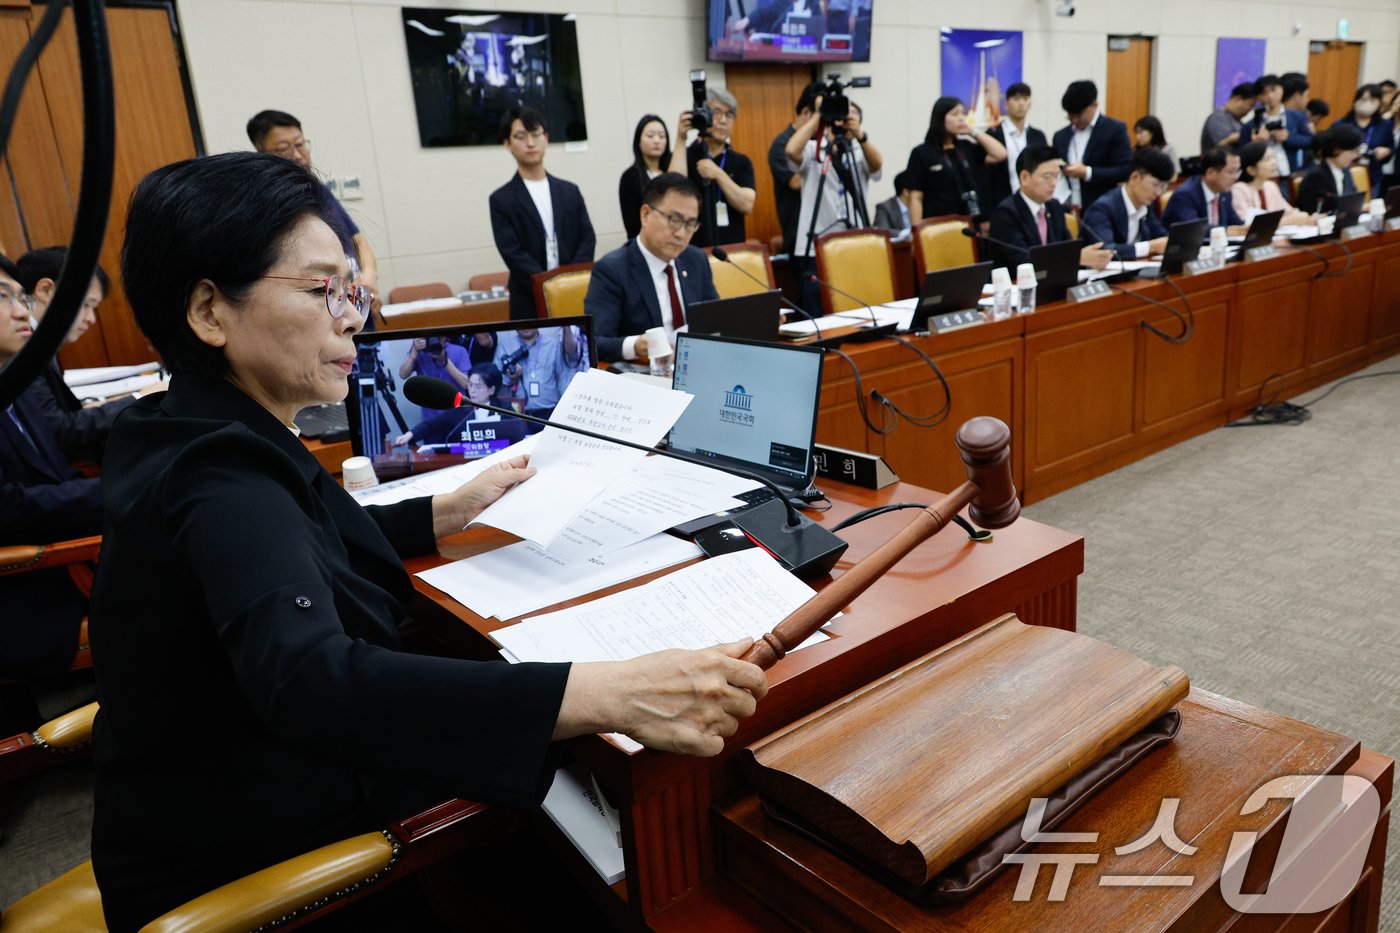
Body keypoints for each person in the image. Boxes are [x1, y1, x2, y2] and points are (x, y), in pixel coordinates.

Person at [90, 151, 767, 931]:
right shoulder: (221, 474)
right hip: (251, 852)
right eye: (320, 290)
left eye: (351, 287)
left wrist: (439, 511)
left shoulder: (186, 423)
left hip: (197, 796)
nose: (352, 316)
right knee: (576, 793)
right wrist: (606, 690)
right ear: (210, 312)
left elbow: (291, 540)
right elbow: (312, 681)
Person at [0, 254, 100, 734]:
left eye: (18, 297)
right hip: (28, 589)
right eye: (3, 298)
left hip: (60, 554)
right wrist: (114, 492)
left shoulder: (12, 383)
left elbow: (55, 475)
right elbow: (9, 509)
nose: (22, 311)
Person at [14, 247, 158, 460]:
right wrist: (140, 398)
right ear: (45, 290)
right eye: (86, 305)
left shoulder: (39, 341)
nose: (91, 318)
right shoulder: (22, 348)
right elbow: (59, 431)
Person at [247, 110, 381, 316]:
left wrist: (368, 277)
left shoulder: (319, 191)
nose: (298, 156)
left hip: (357, 310)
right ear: (262, 154)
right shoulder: (266, 205)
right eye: (283, 149)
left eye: (300, 144)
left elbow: (358, 241)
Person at [585, 172, 719, 363]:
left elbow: (713, 320)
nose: (681, 233)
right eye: (674, 219)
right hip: (644, 376)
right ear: (645, 214)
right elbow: (595, 341)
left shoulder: (696, 259)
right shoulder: (612, 269)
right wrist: (636, 346)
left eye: (690, 224)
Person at [488, 106, 597, 320]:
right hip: (527, 298)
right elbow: (512, 251)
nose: (530, 143)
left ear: (546, 138)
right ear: (507, 144)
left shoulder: (569, 191)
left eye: (536, 134)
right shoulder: (501, 199)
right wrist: (546, 284)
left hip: (574, 294)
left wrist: (568, 280)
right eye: (520, 137)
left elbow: (587, 238)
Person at [785, 96, 883, 261]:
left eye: (852, 114)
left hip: (856, 242)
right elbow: (791, 151)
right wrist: (819, 115)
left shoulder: (860, 152)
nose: (844, 118)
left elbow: (877, 165)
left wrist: (861, 136)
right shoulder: (813, 149)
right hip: (816, 244)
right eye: (842, 113)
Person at [986, 144, 1111, 271]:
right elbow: (1023, 263)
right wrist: (1076, 258)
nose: (1053, 183)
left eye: (1056, 176)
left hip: (1052, 283)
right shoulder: (1006, 213)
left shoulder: (1054, 207)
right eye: (1047, 176)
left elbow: (1067, 248)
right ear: (1024, 177)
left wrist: (1093, 259)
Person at [670, 86, 757, 247]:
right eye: (717, 112)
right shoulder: (686, 155)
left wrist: (718, 174)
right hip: (692, 249)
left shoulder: (741, 161)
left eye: (729, 115)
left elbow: (747, 205)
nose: (723, 121)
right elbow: (672, 190)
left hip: (731, 250)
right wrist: (681, 138)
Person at [904, 96, 1007, 225]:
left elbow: (1000, 154)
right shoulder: (922, 153)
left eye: (962, 113)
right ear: (940, 118)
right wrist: (917, 233)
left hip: (970, 224)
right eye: (954, 114)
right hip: (938, 226)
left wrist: (972, 131)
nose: (961, 118)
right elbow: (916, 198)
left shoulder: (966, 147)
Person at [1052, 80, 1132, 210]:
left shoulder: (1114, 130)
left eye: (1078, 115)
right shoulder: (1061, 136)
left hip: (1102, 206)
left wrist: (1087, 172)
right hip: (1066, 207)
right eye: (1070, 116)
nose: (1074, 120)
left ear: (1094, 105)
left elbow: (1125, 170)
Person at [393, 363, 516, 448]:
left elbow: (520, 431)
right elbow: (433, 425)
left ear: (491, 390)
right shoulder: (461, 410)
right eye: (470, 385)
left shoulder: (504, 408)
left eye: (478, 386)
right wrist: (410, 435)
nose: (472, 390)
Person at [1081, 148, 1173, 261]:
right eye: (1156, 185)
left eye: (1163, 187)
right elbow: (1105, 251)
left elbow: (1161, 235)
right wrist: (1150, 247)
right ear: (1135, 178)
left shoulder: (1146, 205)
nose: (1159, 193)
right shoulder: (1102, 209)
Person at [492, 324, 587, 424]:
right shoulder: (505, 345)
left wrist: (567, 408)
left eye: (529, 321)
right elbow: (496, 382)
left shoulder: (553, 344)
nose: (525, 326)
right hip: (517, 414)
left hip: (549, 413)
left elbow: (566, 370)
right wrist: (512, 380)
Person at [769, 82, 823, 256]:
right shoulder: (781, 145)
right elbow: (795, 182)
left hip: (825, 229)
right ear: (807, 113)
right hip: (798, 234)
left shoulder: (822, 142)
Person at [984, 82, 1048, 210]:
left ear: (1030, 104)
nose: (1021, 103)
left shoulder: (1038, 136)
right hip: (1001, 201)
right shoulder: (993, 134)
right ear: (1006, 104)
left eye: (1025, 99)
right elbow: (985, 178)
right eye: (1016, 99)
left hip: (1033, 202)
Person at [1160, 147, 1249, 234]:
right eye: (1231, 172)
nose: (1235, 177)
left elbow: (1235, 223)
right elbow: (1195, 231)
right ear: (1210, 173)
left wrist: (1246, 229)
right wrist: (1234, 231)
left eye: (1238, 171)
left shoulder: (1225, 194)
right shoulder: (1185, 195)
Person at [1231, 141, 1315, 227]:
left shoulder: (1270, 186)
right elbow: (1247, 223)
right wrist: (1290, 220)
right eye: (1267, 159)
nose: (1274, 162)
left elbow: (1289, 212)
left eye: (1273, 157)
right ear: (1251, 169)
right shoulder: (1239, 190)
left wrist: (1309, 217)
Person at [1241, 75, 1307, 183]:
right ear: (1258, 97)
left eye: (1273, 90)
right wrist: (1256, 144)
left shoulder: (1297, 117)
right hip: (1262, 177)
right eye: (1264, 93)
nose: (1270, 96)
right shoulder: (1251, 124)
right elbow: (1241, 152)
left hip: (1289, 173)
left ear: (1281, 89)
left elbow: (1310, 141)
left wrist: (1288, 138)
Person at [1334, 85, 1395, 196]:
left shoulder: (1385, 125)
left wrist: (1386, 151)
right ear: (1356, 101)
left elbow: (1391, 148)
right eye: (1364, 99)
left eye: (1372, 100)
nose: (1368, 103)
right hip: (1344, 175)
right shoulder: (1341, 125)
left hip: (1373, 175)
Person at [619, 114, 671, 241]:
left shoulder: (671, 171)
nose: (657, 140)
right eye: (650, 136)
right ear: (638, 141)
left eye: (662, 136)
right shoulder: (629, 177)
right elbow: (632, 225)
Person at [1294, 123, 1365, 213]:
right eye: (1352, 151)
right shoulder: (1316, 176)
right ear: (1336, 150)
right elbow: (1311, 210)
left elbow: (1352, 199)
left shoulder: (1345, 171)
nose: (1356, 156)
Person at [398, 333, 471, 402]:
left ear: (445, 337)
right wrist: (414, 352)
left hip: (457, 411)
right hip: (431, 411)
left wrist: (445, 361)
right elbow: (403, 374)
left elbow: (466, 385)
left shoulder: (459, 351)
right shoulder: (420, 353)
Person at [1200, 83, 1266, 155]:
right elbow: (1221, 143)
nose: (1250, 110)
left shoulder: (1237, 120)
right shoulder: (1218, 118)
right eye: (1250, 105)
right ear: (1238, 99)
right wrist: (1248, 135)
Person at [1280, 74, 1316, 170]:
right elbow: (1310, 141)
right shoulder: (1284, 115)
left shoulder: (1302, 115)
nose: (1307, 100)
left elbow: (1311, 141)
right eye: (1306, 96)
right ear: (1297, 96)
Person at [873, 169, 913, 236]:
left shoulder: (924, 205)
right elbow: (880, 230)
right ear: (906, 192)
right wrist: (905, 234)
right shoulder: (884, 207)